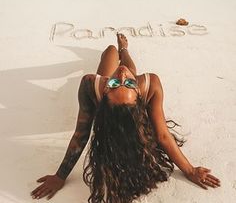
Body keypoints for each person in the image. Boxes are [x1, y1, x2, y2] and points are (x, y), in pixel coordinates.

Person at [31, 33, 221, 202]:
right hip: (117, 110)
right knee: (116, 54)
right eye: (119, 82)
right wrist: (60, 176)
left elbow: (162, 135)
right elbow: (82, 135)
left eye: (123, 82)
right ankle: (122, 48)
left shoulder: (96, 84)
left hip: (116, 112)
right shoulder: (145, 83)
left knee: (112, 53)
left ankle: (121, 49)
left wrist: (190, 170)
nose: (122, 75)